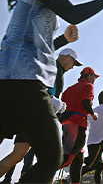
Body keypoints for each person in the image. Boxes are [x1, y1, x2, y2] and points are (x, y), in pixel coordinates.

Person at [0, 0, 103, 183]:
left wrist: (63, 40)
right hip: (26, 81)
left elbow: (34, 43)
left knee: (21, 154)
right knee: (51, 158)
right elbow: (73, 13)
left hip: (6, 78)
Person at [0, 46, 81, 182]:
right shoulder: (52, 67)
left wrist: (57, 106)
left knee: (18, 155)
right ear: (67, 57)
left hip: (31, 114)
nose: (73, 67)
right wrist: (51, 98)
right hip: (34, 116)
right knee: (52, 157)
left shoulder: (57, 71)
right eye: (74, 62)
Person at [59, 67, 100, 184]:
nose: (95, 80)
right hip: (77, 124)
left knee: (78, 157)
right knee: (67, 158)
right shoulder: (88, 86)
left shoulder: (68, 89)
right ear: (90, 75)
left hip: (67, 124)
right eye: (94, 77)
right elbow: (86, 102)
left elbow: (61, 108)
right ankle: (33, 176)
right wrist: (92, 114)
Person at [81, 91, 103, 184]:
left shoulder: (93, 110)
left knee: (99, 166)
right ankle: (71, 177)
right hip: (99, 141)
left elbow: (88, 124)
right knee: (91, 165)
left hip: (90, 141)